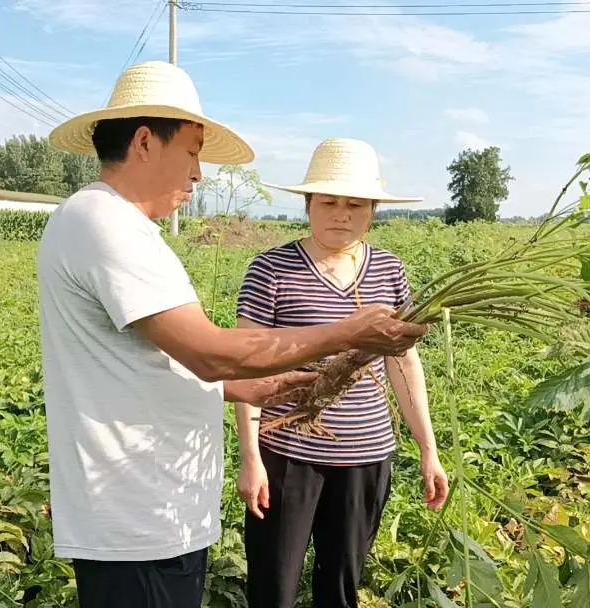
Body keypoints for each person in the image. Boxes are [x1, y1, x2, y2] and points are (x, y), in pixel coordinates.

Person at [38, 62, 432, 608]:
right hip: (137, 513)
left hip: (150, 506)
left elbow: (145, 361)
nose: (199, 173)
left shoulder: (112, 224)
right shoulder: (105, 224)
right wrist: (348, 331)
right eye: (193, 152)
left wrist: (239, 388)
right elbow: (208, 350)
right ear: (146, 142)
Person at [233, 138, 450, 608]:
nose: (341, 214)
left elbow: (403, 361)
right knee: (274, 585)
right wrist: (250, 457)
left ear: (372, 210)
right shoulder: (270, 269)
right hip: (287, 453)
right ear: (308, 204)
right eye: (328, 201)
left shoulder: (390, 271)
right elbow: (244, 364)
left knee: (342, 586)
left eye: (355, 204)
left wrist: (428, 450)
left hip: (367, 455)